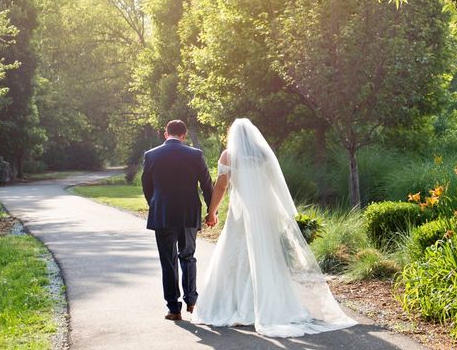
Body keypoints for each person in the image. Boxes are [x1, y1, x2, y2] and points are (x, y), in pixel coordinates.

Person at [192, 118, 356, 337]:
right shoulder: (263, 155)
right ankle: (270, 305)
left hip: (242, 214)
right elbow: (276, 186)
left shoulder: (228, 156)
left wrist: (212, 211)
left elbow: (221, 186)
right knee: (266, 257)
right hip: (265, 212)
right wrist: (290, 216)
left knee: (237, 256)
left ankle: (238, 306)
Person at [141, 120, 213, 321]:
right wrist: (211, 211)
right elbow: (207, 185)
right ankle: (191, 300)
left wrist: (154, 204)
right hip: (189, 213)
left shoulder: (151, 155)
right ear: (184, 135)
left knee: (168, 261)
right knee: (188, 255)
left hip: (162, 214)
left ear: (166, 134)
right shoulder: (195, 154)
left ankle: (174, 309)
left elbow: (146, 185)